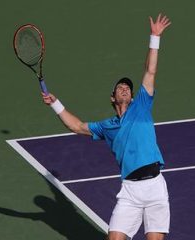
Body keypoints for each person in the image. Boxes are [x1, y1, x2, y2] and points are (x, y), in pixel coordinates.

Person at [42, 13, 171, 240]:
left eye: (128, 88)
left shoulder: (141, 106)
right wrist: (55, 104)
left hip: (154, 187)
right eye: (120, 87)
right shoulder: (107, 127)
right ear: (112, 98)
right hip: (130, 190)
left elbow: (150, 71)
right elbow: (78, 126)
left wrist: (154, 37)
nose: (125, 89)